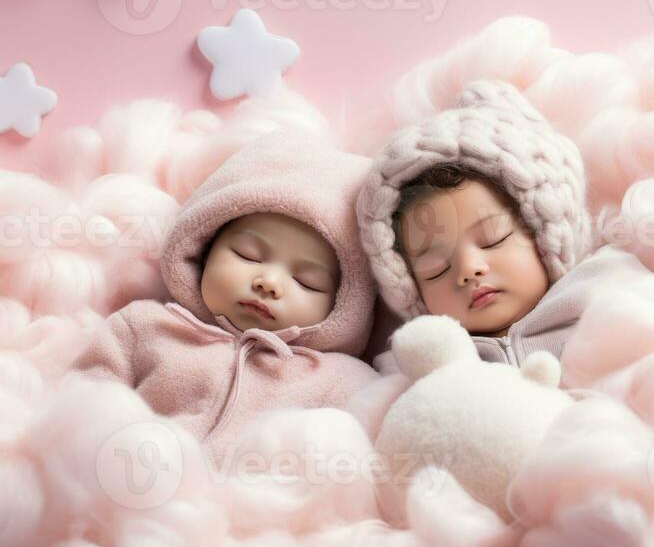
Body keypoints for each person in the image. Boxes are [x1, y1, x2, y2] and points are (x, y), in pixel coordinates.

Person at [70, 127, 381, 468]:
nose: (269, 282)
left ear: (344, 305)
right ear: (204, 249)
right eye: (248, 255)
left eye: (307, 282)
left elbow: (364, 464)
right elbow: (79, 408)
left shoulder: (340, 382)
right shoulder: (142, 329)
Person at [357, 79, 648, 375]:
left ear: (545, 230)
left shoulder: (609, 288)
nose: (469, 269)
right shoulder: (417, 364)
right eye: (436, 269)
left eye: (492, 239)